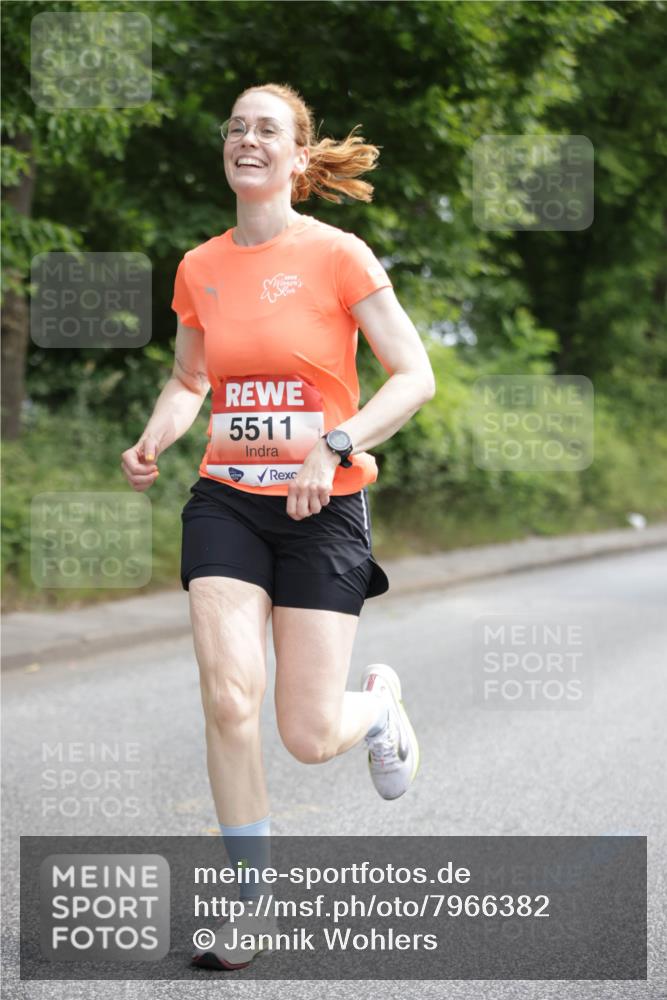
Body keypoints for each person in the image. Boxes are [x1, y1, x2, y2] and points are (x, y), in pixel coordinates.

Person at [121, 81, 435, 970]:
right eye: (235, 128)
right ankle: (250, 907)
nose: (246, 139)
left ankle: (378, 707)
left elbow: (413, 377)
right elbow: (190, 380)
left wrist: (334, 445)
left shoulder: (338, 255)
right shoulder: (199, 266)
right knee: (229, 698)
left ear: (298, 157)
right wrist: (157, 433)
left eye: (266, 129)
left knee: (306, 735)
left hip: (321, 507)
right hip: (226, 499)